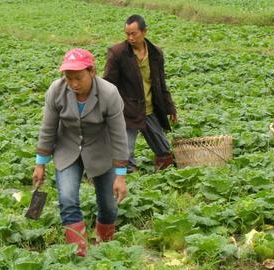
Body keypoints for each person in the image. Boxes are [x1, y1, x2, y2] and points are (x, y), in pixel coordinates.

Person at [32, 48, 129, 256]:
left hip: (101, 149)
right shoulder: (56, 91)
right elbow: (48, 129)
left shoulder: (109, 93)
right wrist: (40, 163)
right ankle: (79, 254)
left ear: (91, 71)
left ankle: (105, 245)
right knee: (67, 199)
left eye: (78, 78)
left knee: (109, 206)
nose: (74, 84)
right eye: (69, 78)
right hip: (67, 148)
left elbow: (119, 135)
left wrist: (120, 175)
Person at [104, 14, 177, 173]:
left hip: (149, 107)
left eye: (134, 33)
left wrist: (170, 107)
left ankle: (163, 166)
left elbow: (160, 83)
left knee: (163, 147)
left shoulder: (156, 53)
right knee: (125, 149)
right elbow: (108, 83)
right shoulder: (117, 53)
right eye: (127, 34)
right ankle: (127, 176)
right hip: (126, 109)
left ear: (144, 32)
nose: (130, 38)